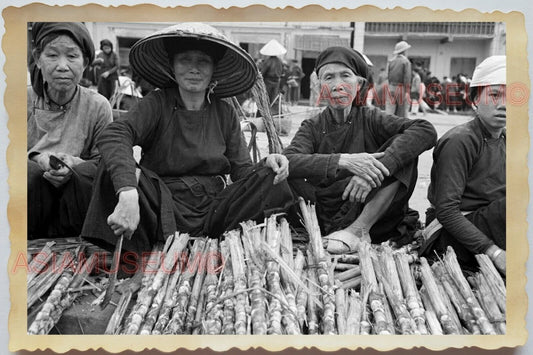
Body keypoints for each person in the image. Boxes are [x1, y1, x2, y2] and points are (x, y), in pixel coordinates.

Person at [81, 23, 294, 256]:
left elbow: (242, 171)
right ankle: (140, 249)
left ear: (213, 69)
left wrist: (266, 164)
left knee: (272, 176)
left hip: (215, 209)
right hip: (162, 206)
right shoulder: (157, 102)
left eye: (202, 61)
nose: (194, 69)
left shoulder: (225, 112)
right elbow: (115, 134)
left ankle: (229, 241)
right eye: (184, 60)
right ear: (172, 67)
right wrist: (128, 190)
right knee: (110, 169)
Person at [283, 46, 437, 253]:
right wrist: (344, 161)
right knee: (281, 169)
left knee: (404, 151)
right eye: (329, 78)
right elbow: (290, 159)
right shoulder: (312, 126)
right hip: (327, 215)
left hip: (371, 214)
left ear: (359, 85)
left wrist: (371, 172)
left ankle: (357, 230)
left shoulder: (371, 118)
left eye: (345, 76)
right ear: (319, 87)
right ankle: (343, 231)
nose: (338, 85)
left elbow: (425, 130)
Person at [420, 56, 506, 274]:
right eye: (494, 94)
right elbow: (447, 211)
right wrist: (495, 252)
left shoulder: (507, 138)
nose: (503, 104)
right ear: (475, 98)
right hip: (451, 236)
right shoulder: (461, 140)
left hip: (488, 223)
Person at [27, 22, 113, 239]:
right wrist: (38, 158)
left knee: (90, 174)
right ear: (38, 59)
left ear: (85, 62)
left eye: (72, 56)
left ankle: (80, 246)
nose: (62, 66)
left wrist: (74, 164)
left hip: (75, 205)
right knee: (28, 173)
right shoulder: (20, 99)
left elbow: (105, 161)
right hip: (29, 206)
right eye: (53, 55)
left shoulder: (98, 105)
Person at [385, 41, 412, 118]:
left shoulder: (391, 61)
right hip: (401, 88)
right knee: (401, 112)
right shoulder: (406, 62)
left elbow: (388, 75)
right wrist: (407, 91)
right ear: (404, 51)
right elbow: (407, 78)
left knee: (389, 111)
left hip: (391, 87)